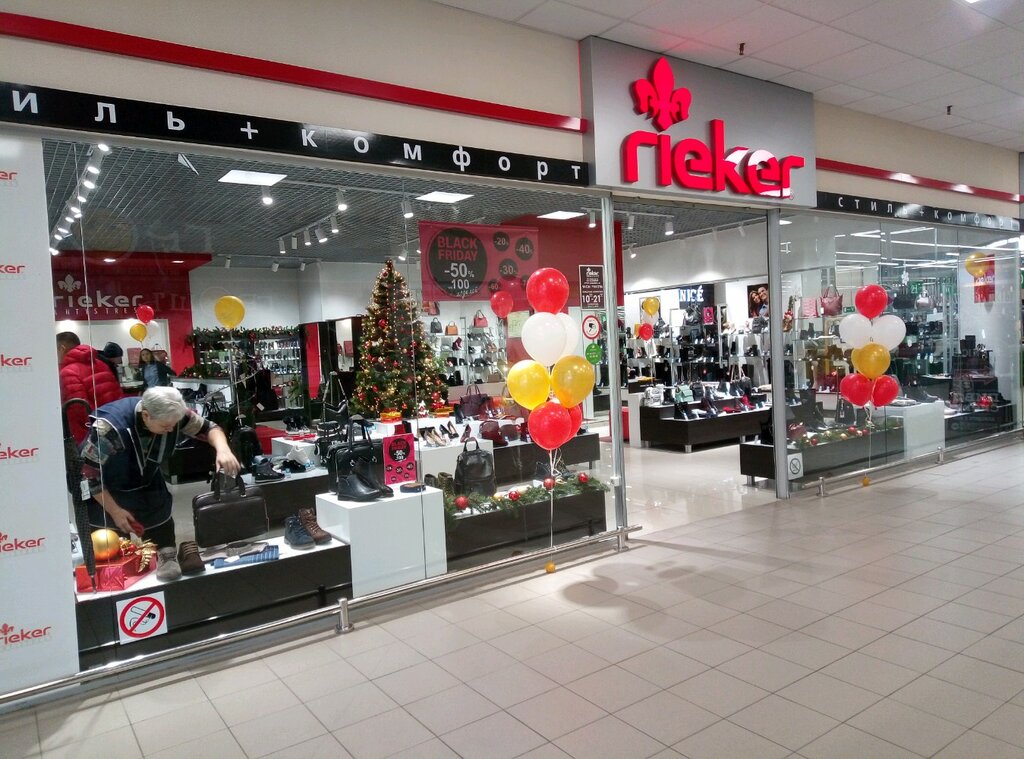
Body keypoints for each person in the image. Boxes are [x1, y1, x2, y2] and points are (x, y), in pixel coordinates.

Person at [80, 387, 240, 548]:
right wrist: (115, 511)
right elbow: (88, 474)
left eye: (174, 425)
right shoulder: (109, 430)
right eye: (165, 426)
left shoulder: (174, 414)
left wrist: (223, 450)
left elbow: (210, 428)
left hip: (150, 489)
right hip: (107, 495)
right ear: (146, 415)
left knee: (164, 546)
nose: (171, 430)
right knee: (114, 553)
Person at [57, 332, 124, 444]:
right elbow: (117, 395)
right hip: (111, 426)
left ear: (61, 348)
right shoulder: (101, 364)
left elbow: (78, 410)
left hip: (88, 435)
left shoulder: (68, 372)